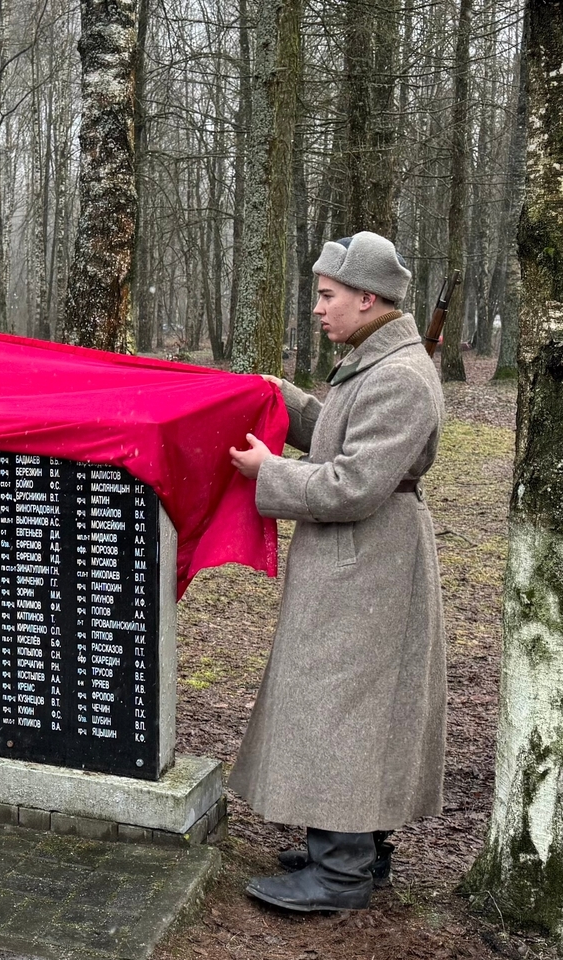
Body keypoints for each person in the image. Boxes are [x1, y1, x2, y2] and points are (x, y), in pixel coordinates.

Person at [227, 231, 445, 913]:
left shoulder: (402, 376)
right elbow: (339, 433)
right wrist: (279, 397)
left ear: (367, 297)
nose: (318, 309)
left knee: (347, 710)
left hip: (371, 565)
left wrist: (271, 473)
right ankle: (350, 852)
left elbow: (354, 482)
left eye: (327, 296)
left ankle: (343, 871)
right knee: (347, 708)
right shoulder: (377, 363)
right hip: (359, 562)